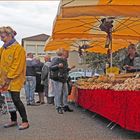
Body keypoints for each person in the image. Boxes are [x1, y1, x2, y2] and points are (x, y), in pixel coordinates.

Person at [0, 26, 29, 130]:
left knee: (16, 100)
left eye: (3, 37)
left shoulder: (19, 49)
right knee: (9, 100)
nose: (1, 39)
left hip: (14, 79)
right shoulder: (4, 48)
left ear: (9, 35)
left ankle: (25, 121)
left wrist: (8, 78)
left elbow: (17, 66)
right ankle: (13, 120)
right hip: (4, 80)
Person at [50, 48, 75, 114]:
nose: (68, 54)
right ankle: (58, 107)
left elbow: (64, 70)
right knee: (58, 93)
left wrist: (70, 68)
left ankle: (65, 105)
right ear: (63, 53)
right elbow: (51, 67)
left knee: (66, 93)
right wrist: (58, 66)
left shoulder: (65, 60)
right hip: (58, 78)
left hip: (64, 79)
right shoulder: (56, 59)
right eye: (67, 52)